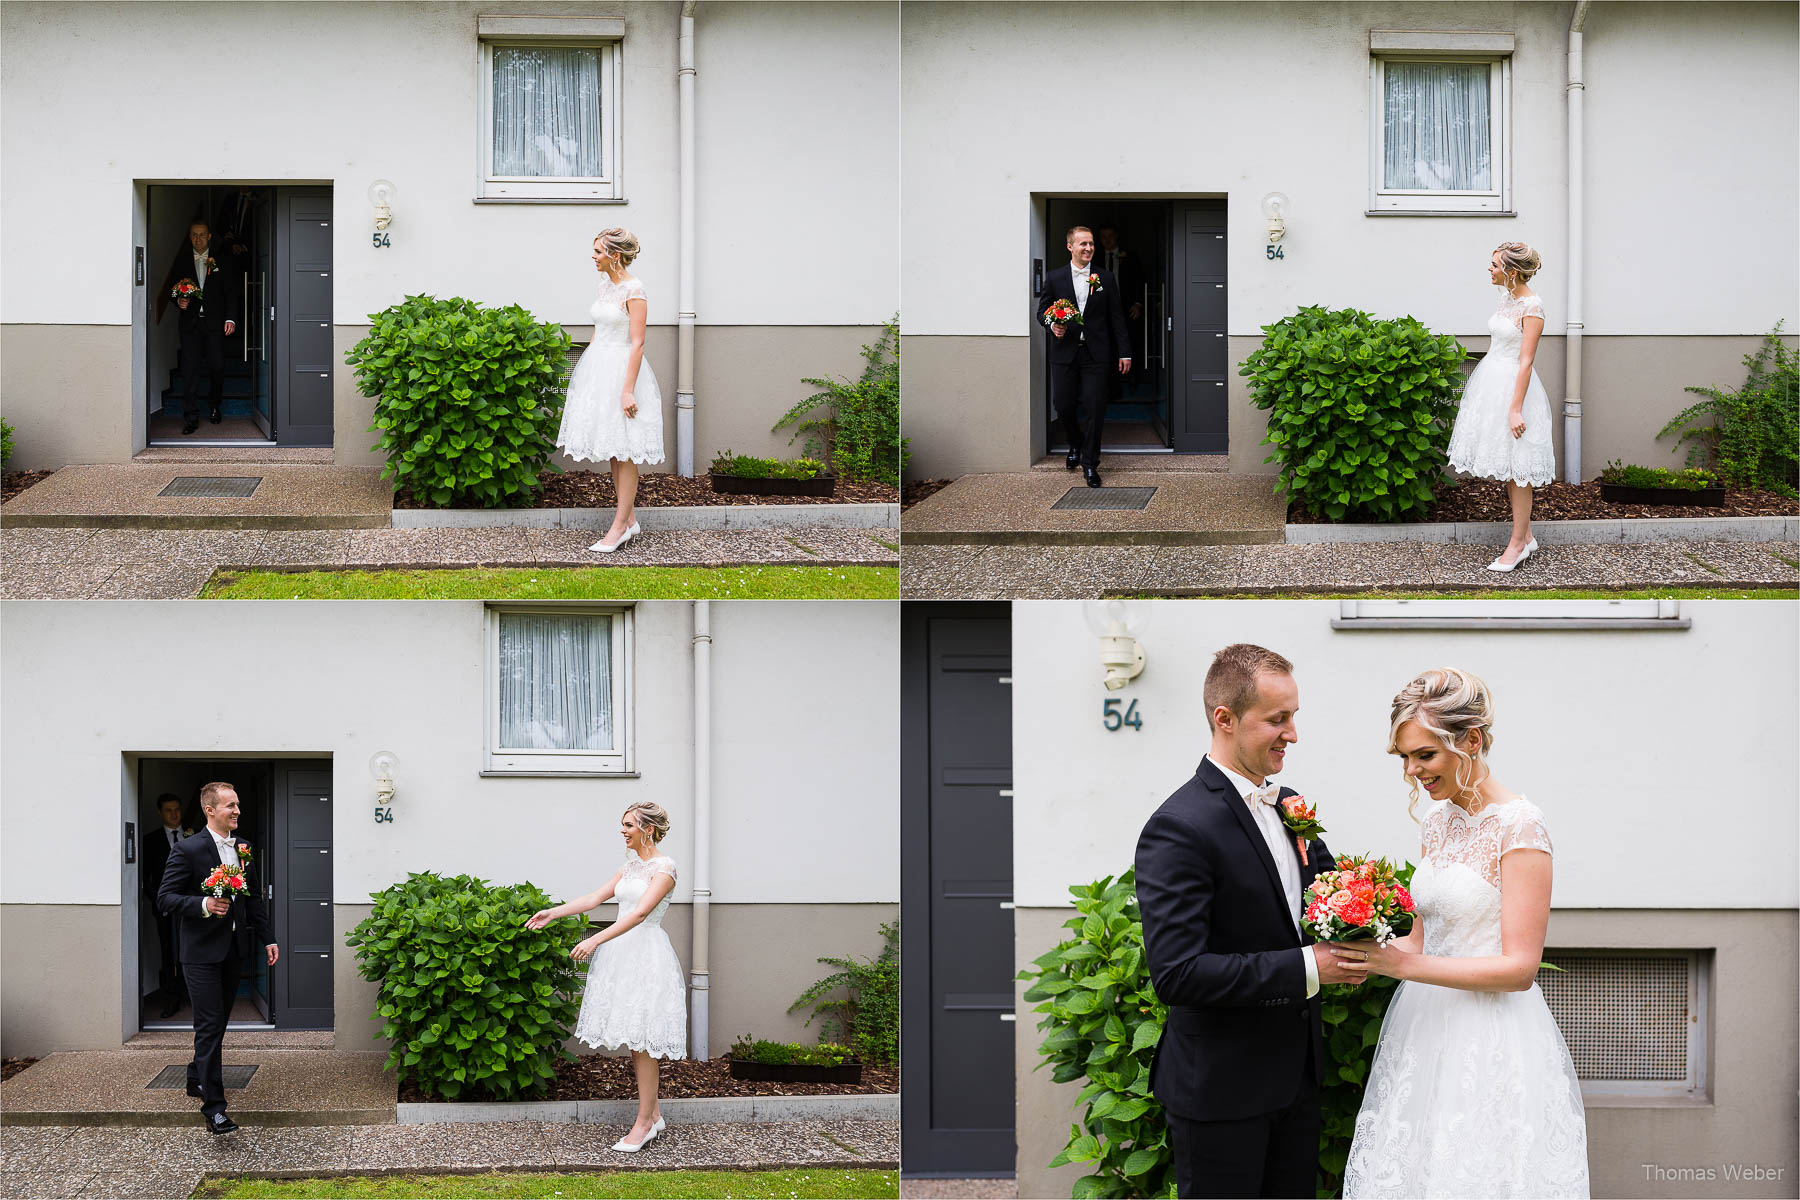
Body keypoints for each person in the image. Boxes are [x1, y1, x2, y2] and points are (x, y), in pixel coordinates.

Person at [1339, 668, 1589, 1198]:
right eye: (1404, 757)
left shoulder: (1521, 826)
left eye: (1424, 755)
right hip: (1423, 1029)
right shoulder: (1436, 822)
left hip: (1492, 1037)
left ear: (1471, 740)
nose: (1412, 771)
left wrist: (1402, 966)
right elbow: (1419, 942)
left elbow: (1520, 969)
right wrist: (1359, 949)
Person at [1135, 644, 1363, 1198]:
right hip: (1220, 1093)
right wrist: (1312, 966)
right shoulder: (1179, 827)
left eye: (1294, 717)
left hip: (1296, 1082)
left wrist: (1379, 918)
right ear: (1225, 719)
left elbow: (1328, 902)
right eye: (1278, 719)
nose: (1293, 733)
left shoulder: (1289, 805)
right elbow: (1179, 974)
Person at [526, 802, 685, 1153]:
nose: (622, 830)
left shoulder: (665, 868)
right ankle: (654, 1114)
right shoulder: (628, 868)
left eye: (628, 825)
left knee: (644, 1040)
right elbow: (594, 898)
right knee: (635, 1038)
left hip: (646, 955)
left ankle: (644, 1124)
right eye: (622, 824)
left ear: (647, 829)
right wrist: (553, 912)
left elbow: (642, 912)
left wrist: (596, 939)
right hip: (621, 956)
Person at [157, 782, 276, 1135]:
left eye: (238, 805)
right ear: (210, 810)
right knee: (208, 1028)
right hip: (200, 954)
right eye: (231, 806)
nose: (238, 811)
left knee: (218, 1024)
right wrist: (203, 904)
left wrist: (268, 938)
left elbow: (252, 899)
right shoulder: (187, 850)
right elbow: (165, 898)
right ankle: (215, 1109)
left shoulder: (244, 847)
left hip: (233, 951)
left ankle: (196, 1077)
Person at [555, 228, 665, 553]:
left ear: (615, 255)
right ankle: (629, 520)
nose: (593, 257)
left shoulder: (635, 290)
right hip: (599, 369)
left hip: (624, 371)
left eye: (598, 252)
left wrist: (627, 390)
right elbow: (599, 332)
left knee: (626, 449)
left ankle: (619, 528)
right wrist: (585, 375)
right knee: (614, 449)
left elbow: (638, 343)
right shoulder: (605, 286)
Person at [1446, 243, 1554, 571]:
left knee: (1519, 470)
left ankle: (1518, 544)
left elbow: (1526, 361)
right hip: (1492, 385)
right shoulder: (1506, 298)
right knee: (1509, 466)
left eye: (1494, 265)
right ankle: (1528, 535)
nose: (1489, 270)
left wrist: (1515, 408)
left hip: (1515, 390)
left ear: (1512, 270)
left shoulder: (1532, 306)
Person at [1033, 226, 1132, 487]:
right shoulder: (1055, 278)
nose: (1088, 248)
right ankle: (1075, 444)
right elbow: (1042, 311)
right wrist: (1051, 325)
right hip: (1064, 352)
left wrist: (1125, 353)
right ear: (1070, 247)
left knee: (1094, 408)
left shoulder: (1105, 278)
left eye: (1091, 244)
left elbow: (1116, 318)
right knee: (1063, 405)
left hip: (1096, 354)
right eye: (1083, 244)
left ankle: (1089, 463)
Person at [167, 220, 241, 435]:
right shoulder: (181, 261)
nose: (198, 239)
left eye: (202, 235)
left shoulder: (221, 260)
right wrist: (178, 301)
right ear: (190, 237)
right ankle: (191, 417)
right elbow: (173, 290)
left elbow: (230, 293)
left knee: (217, 366)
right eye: (194, 235)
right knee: (189, 372)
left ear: (209, 236)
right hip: (190, 325)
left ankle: (215, 405)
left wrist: (231, 319)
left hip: (215, 324)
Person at [141, 793, 193, 1019]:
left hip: (192, 907)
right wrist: (161, 900)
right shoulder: (150, 840)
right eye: (168, 810)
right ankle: (171, 998)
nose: (174, 814)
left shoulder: (195, 837)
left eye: (177, 809)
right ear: (160, 813)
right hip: (165, 910)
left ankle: (192, 994)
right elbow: (145, 878)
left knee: (192, 950)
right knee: (168, 952)